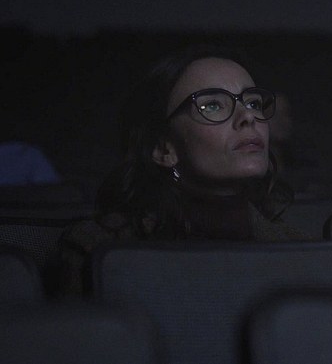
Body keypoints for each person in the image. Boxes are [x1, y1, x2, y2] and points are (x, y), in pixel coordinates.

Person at [60, 44, 309, 297]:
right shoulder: (99, 251)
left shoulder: (298, 248)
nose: (248, 116)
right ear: (163, 149)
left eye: (253, 103)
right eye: (213, 106)